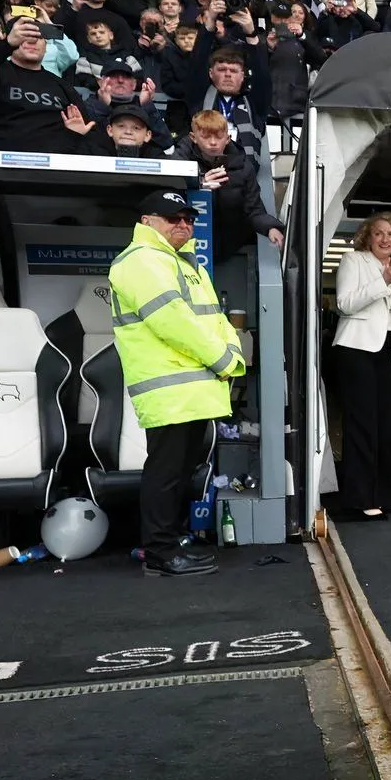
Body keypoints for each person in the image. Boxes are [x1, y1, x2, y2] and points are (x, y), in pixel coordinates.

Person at [108, 189, 246, 577]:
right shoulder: (139, 261)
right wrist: (223, 359)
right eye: (172, 218)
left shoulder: (182, 263)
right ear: (146, 221)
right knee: (166, 472)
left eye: (187, 218)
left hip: (194, 388)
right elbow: (172, 320)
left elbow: (216, 318)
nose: (183, 225)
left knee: (180, 471)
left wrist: (231, 353)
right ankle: (159, 553)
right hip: (169, 389)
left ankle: (168, 542)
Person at [333, 211, 391, 521]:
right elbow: (345, 304)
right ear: (367, 237)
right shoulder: (353, 261)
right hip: (357, 348)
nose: (386, 239)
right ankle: (359, 500)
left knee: (386, 426)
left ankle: (379, 495)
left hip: (389, 348)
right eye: (379, 233)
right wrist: (383, 281)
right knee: (362, 425)